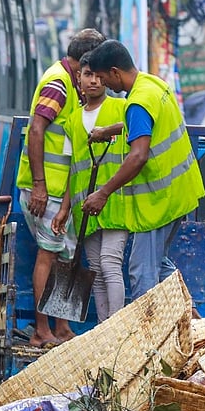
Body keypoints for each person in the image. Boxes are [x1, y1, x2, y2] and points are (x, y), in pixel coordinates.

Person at [83, 40, 205, 299]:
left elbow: (138, 156)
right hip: (181, 192)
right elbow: (143, 125)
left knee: (141, 272)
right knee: (160, 265)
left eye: (104, 78)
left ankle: (148, 335)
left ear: (115, 72)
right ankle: (192, 318)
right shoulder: (153, 84)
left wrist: (103, 193)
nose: (104, 84)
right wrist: (109, 130)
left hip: (158, 203)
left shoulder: (137, 103)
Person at [16, 27, 106, 347]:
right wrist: (40, 185)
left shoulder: (72, 82)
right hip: (47, 189)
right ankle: (42, 330)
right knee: (49, 255)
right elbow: (36, 131)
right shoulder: (58, 83)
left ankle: (62, 326)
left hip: (61, 190)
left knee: (67, 255)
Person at [52, 55, 130, 322]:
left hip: (115, 200)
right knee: (95, 268)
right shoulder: (72, 121)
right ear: (79, 80)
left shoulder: (121, 108)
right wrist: (64, 210)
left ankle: (116, 328)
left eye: (98, 75)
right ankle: (102, 327)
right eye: (87, 74)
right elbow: (73, 168)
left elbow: (138, 128)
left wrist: (109, 130)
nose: (94, 80)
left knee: (110, 264)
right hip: (83, 206)